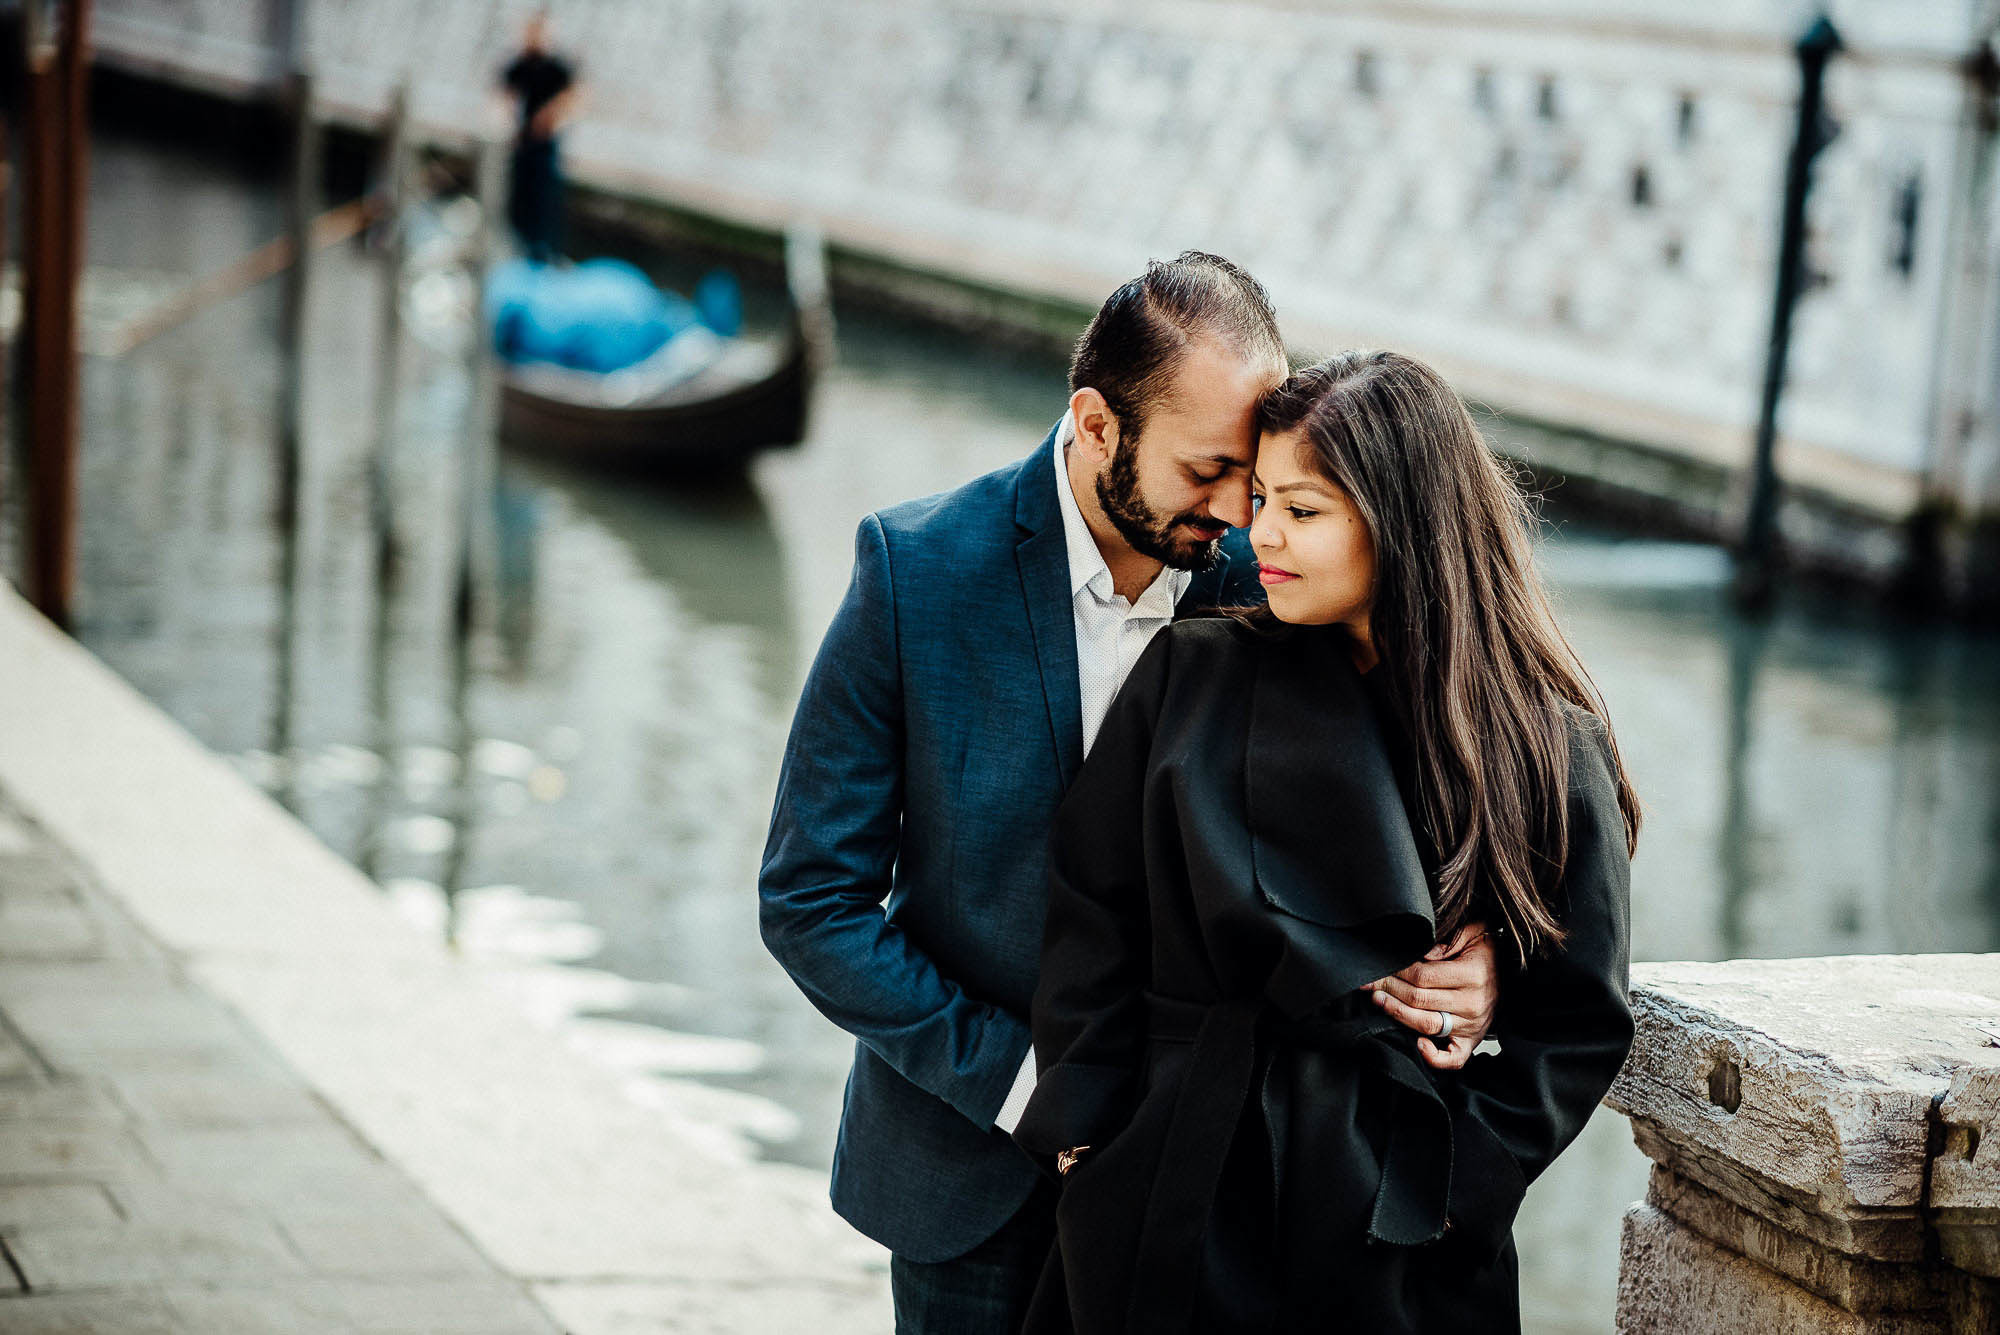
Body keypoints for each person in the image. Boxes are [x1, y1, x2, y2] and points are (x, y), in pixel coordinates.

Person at [759, 256, 1506, 1335]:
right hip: (968, 1171)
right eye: (1208, 470)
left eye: (1255, 476)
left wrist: (1479, 958)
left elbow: (1442, 784)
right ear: (1097, 425)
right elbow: (810, 902)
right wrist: (1027, 1086)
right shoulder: (914, 571)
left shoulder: (1274, 578)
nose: (1239, 510)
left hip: (1210, 1187)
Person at [1012, 349, 1641, 1335]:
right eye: (1261, 498)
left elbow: (1579, 1020)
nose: (1257, 531)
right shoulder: (1192, 674)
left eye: (1300, 510)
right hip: (1169, 1177)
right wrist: (1085, 1132)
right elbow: (1094, 906)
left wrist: (1455, 1189)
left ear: (1402, 523)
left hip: (1396, 1228)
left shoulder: (1543, 748)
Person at [498, 10, 580, 262]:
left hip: (546, 144)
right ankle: (520, 244)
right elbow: (505, 92)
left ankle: (546, 251)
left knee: (545, 198)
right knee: (520, 195)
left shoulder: (556, 67)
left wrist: (550, 117)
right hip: (524, 141)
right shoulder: (521, 64)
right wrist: (510, 122)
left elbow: (574, 95)